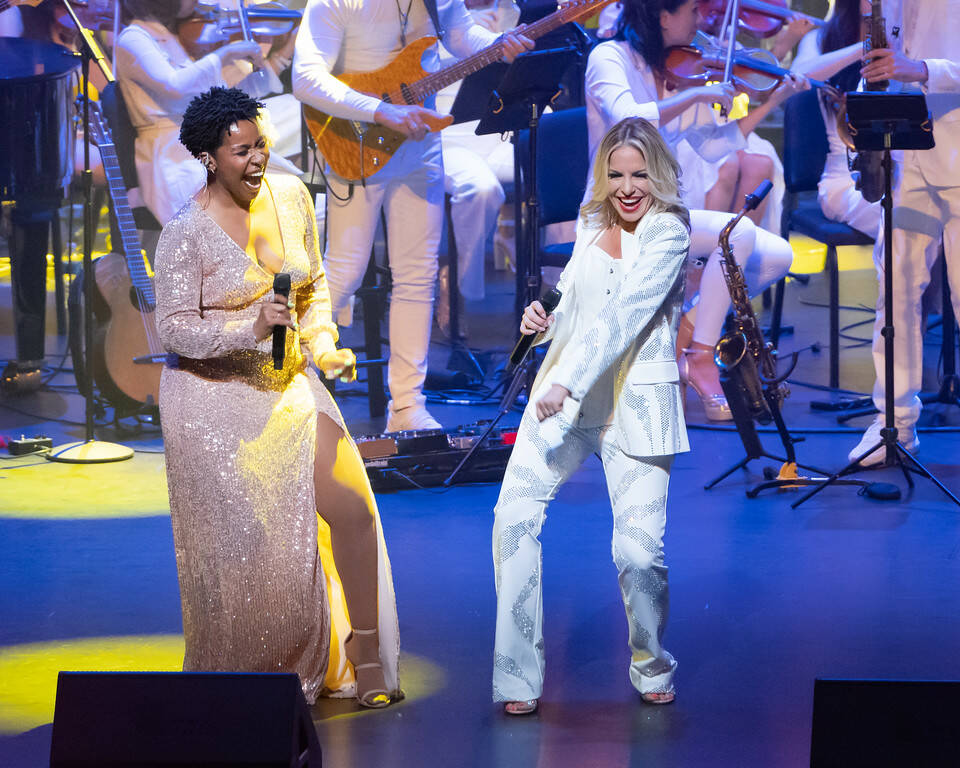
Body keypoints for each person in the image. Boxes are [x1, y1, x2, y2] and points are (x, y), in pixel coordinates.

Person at [154, 86, 401, 708]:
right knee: (255, 547)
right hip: (211, 398)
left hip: (287, 378)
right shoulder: (184, 233)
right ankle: (259, 674)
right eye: (241, 150)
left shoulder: (292, 197)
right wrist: (252, 326)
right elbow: (175, 329)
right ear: (210, 158)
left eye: (261, 143)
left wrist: (324, 346)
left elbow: (311, 290)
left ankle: (365, 651)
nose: (257, 158)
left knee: (354, 508)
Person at [492, 117, 690, 715]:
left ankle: (651, 660)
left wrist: (567, 379)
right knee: (512, 522)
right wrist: (544, 321)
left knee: (638, 555)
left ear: (659, 176)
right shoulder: (590, 220)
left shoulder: (669, 233)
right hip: (565, 403)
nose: (628, 188)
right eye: (616, 175)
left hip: (633, 406)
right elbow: (582, 302)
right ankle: (517, 677)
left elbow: (625, 316)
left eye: (640, 175)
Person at [292, 0, 533, 432]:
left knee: (417, 277)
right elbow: (305, 77)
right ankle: (292, 388)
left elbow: (459, 35)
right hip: (358, 138)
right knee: (344, 272)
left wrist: (498, 45)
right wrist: (383, 111)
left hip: (420, 141)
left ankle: (407, 406)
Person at [586, 0, 802, 422]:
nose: (702, 22)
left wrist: (777, 97)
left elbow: (716, 143)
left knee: (777, 255)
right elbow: (627, 118)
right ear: (663, 16)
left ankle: (682, 337)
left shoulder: (673, 71)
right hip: (616, 212)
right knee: (735, 234)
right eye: (693, 13)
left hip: (663, 213)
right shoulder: (607, 57)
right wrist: (699, 93)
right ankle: (702, 354)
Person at [846, 0, 960, 465]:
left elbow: (917, 68)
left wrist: (920, 69)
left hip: (957, 155)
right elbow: (892, 67)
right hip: (906, 158)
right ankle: (894, 422)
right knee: (893, 295)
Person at [115, 0, 297, 225]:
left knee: (288, 196)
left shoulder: (170, 37)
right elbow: (174, 86)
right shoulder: (133, 38)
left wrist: (282, 56)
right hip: (172, 155)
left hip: (199, 142)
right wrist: (224, 54)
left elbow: (217, 95)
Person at [791, 0, 879, 237]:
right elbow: (798, 75)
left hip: (896, 175)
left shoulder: (902, 40)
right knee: (894, 215)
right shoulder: (820, 38)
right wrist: (866, 47)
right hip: (844, 182)